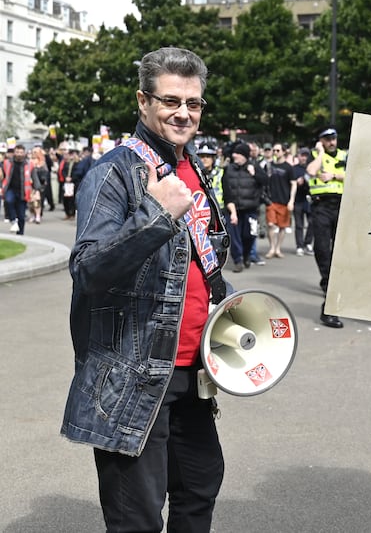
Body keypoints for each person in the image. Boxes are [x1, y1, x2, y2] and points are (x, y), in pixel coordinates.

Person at [61, 47, 230, 532]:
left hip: (193, 371)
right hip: (133, 378)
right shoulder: (113, 171)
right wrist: (156, 215)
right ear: (143, 100)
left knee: (199, 489)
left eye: (193, 103)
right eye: (171, 100)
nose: (184, 113)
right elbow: (88, 269)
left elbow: (202, 267)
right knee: (136, 517)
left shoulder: (193, 168)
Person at [307, 127, 348, 329]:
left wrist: (334, 176)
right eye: (327, 139)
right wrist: (321, 154)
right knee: (322, 249)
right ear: (320, 141)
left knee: (340, 254)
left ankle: (330, 288)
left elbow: (356, 177)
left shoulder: (345, 155)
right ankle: (327, 281)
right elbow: (311, 172)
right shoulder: (315, 155)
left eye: (333, 138)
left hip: (341, 205)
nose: (331, 142)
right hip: (321, 205)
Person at [222, 140, 268, 272]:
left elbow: (265, 181)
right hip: (233, 210)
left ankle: (247, 255)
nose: (234, 155)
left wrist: (255, 174)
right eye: (234, 153)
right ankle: (238, 260)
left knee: (250, 235)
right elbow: (227, 190)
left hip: (251, 210)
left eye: (237, 153)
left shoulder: (254, 166)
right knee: (235, 237)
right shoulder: (229, 169)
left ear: (244, 156)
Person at [264, 142, 297, 259]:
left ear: (284, 152)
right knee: (271, 224)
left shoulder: (288, 167)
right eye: (274, 150)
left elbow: (294, 184)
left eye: (278, 150)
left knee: (282, 226)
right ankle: (272, 247)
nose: (275, 153)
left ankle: (278, 248)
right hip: (271, 200)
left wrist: (291, 200)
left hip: (284, 200)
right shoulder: (269, 166)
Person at [1, 144, 33, 234]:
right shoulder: (7, 163)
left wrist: (37, 189)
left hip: (23, 192)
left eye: (21, 152)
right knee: (8, 201)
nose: (19, 154)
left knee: (22, 216)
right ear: (14, 152)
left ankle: (20, 234)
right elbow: (2, 175)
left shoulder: (29, 164)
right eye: (17, 152)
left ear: (24, 153)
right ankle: (13, 220)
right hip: (10, 189)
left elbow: (34, 177)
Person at [292, 147, 314, 256]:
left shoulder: (312, 168)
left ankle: (308, 243)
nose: (304, 158)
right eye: (302, 155)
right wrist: (297, 182)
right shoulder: (294, 169)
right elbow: (291, 183)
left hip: (310, 199)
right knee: (299, 225)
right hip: (298, 199)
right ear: (298, 156)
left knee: (312, 222)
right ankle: (299, 246)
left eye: (306, 155)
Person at [57, 147, 80, 220]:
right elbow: (63, 171)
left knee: (72, 199)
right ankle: (67, 213)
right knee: (65, 199)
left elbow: (78, 173)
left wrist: (72, 178)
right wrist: (65, 177)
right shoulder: (67, 163)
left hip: (74, 183)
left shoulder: (78, 163)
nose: (72, 156)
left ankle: (72, 213)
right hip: (66, 183)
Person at [28, 146, 49, 224]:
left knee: (37, 201)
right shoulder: (29, 162)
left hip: (38, 184)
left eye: (36, 152)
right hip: (29, 184)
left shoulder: (42, 162)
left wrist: (43, 182)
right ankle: (32, 215)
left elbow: (45, 173)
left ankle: (38, 215)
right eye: (33, 152)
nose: (34, 154)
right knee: (30, 202)